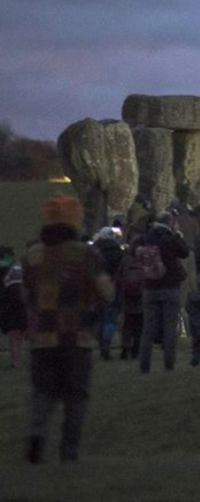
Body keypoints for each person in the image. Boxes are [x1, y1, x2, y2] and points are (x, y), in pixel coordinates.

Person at [21, 194, 114, 464]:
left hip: (42, 336)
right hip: (77, 334)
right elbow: (105, 291)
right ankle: (68, 451)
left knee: (43, 391)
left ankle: (37, 436)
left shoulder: (33, 254)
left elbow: (25, 294)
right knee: (76, 394)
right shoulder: (86, 253)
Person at [139, 211, 192, 374]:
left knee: (148, 328)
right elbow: (185, 252)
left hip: (150, 287)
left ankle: (144, 365)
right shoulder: (171, 239)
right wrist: (176, 234)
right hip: (169, 286)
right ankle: (169, 364)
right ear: (170, 223)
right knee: (169, 328)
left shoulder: (146, 237)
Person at [91, 226, 123, 361]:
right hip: (113, 286)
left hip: (96, 287)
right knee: (111, 318)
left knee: (98, 318)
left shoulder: (93, 251)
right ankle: (107, 343)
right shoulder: (118, 251)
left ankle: (101, 343)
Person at [2, 263, 28, 368]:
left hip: (13, 317)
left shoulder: (8, 288)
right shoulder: (26, 288)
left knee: (13, 339)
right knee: (20, 339)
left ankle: (15, 361)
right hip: (24, 317)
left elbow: (4, 303)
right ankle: (17, 359)